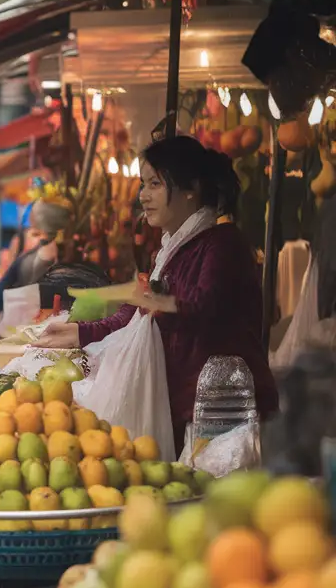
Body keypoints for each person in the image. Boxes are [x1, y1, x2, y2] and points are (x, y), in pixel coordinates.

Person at [37, 135, 278, 454]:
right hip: (184, 408)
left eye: (155, 184)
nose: (143, 196)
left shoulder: (222, 244)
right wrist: (79, 331)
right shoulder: (170, 251)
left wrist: (157, 302)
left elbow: (205, 309)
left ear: (190, 188)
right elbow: (134, 315)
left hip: (223, 415)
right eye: (142, 184)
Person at [0, 200, 73, 313]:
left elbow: (31, 285)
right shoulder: (43, 249)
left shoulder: (46, 253)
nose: (29, 222)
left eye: (32, 216)